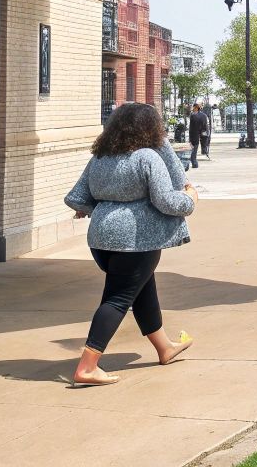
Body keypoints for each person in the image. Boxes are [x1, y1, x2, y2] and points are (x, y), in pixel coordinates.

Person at [63, 102, 198, 386]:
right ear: (151, 129)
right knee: (118, 298)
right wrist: (191, 199)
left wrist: (99, 207)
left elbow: (77, 198)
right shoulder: (148, 157)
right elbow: (166, 200)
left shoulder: (100, 157)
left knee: (141, 288)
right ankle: (87, 366)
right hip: (136, 240)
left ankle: (165, 348)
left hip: (101, 240)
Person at [186, 102, 210, 169]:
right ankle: (204, 151)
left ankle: (194, 163)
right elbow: (205, 125)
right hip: (203, 133)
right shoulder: (204, 115)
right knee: (203, 146)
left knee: (193, 150)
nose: (192, 108)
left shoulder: (193, 116)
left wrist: (190, 138)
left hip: (194, 134)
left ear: (196, 107)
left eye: (193, 107)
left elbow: (192, 127)